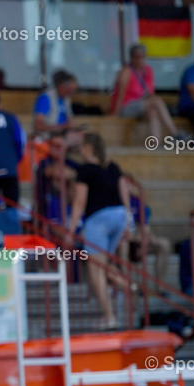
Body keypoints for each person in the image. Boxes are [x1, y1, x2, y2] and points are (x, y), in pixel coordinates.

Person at [67, 132, 133, 330]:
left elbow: (80, 202)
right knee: (102, 263)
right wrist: (129, 223)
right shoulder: (113, 167)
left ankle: (110, 314)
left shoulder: (85, 169)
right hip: (119, 216)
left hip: (99, 220)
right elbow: (125, 196)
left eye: (81, 146)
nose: (79, 150)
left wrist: (71, 230)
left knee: (97, 269)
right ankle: (125, 284)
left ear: (89, 147)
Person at [110, 44, 186, 142]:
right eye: (137, 57)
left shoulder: (148, 71)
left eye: (142, 57)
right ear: (132, 58)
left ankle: (155, 144)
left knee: (153, 112)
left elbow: (150, 92)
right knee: (157, 100)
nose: (140, 60)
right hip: (126, 107)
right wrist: (115, 113)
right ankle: (174, 133)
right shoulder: (126, 71)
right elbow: (120, 94)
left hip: (142, 105)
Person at [33, 70, 79, 138]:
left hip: (63, 136)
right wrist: (61, 127)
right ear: (61, 86)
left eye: (73, 91)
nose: (71, 93)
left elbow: (69, 120)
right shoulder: (46, 98)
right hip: (48, 137)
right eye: (69, 90)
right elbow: (38, 126)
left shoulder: (66, 99)